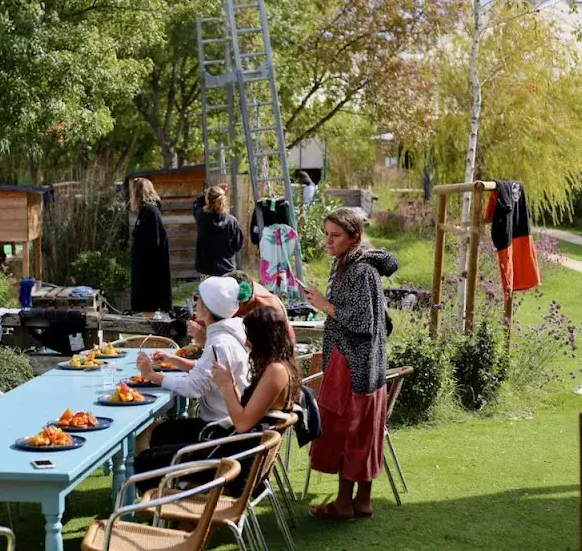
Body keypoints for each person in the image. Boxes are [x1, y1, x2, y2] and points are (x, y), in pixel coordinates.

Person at [135, 304, 298, 494]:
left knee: (146, 461)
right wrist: (229, 383)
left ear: (264, 338)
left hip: (236, 462)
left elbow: (243, 423)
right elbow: (245, 411)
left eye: (250, 336)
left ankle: (183, 496)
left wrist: (227, 384)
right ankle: (178, 497)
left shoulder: (275, 371)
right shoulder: (277, 365)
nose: (246, 343)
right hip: (240, 447)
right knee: (163, 434)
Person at [300, 207, 398, 520]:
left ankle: (345, 504)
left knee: (349, 431)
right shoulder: (348, 264)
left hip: (354, 364)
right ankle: (361, 502)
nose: (328, 241)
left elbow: (364, 321)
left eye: (335, 236)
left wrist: (324, 305)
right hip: (362, 362)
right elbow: (382, 320)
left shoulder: (361, 271)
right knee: (362, 431)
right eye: (326, 234)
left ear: (353, 237)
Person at [134, 276, 250, 454]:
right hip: (226, 424)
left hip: (220, 432)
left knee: (147, 440)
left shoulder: (220, 343)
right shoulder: (230, 334)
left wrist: (151, 376)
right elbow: (206, 370)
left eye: (197, 298)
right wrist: (172, 360)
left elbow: (193, 388)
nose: (195, 302)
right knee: (158, 431)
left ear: (207, 307)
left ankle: (151, 479)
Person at [129, 177, 172, 314]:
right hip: (146, 270)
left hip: (148, 273)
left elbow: (153, 242)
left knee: (148, 307)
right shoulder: (147, 210)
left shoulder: (149, 211)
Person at [194, 185, 244, 276]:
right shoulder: (232, 221)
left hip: (206, 269)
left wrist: (206, 193)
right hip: (227, 268)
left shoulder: (201, 217)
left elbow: (197, 204)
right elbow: (237, 245)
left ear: (207, 200)